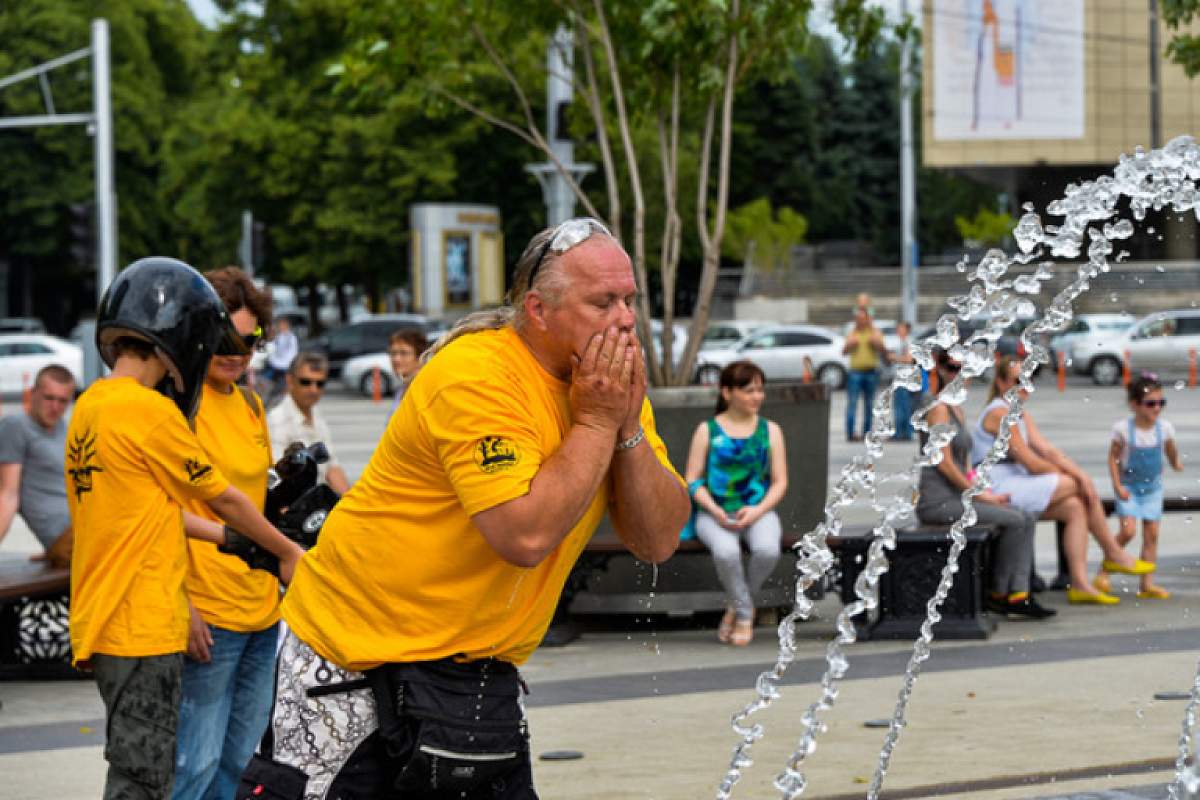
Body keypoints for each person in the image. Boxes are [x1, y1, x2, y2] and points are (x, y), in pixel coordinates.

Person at [248, 218, 689, 800]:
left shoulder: (605, 387)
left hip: (475, 675)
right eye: (603, 301)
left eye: (630, 300)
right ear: (538, 310)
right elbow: (524, 534)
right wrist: (598, 423)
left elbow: (657, 539)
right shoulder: (477, 374)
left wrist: (626, 428)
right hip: (353, 660)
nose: (626, 319)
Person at [66, 257, 305, 800]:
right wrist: (286, 550)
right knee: (152, 780)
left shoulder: (91, 408)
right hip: (145, 622)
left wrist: (233, 540)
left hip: (111, 619)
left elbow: (141, 510)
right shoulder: (152, 413)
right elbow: (222, 495)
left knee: (150, 771)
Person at [172, 268, 282, 800]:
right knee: (194, 763)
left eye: (250, 339)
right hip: (208, 614)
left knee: (241, 764)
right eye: (224, 339)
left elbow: (257, 502)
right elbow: (156, 513)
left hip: (263, 609)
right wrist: (182, 606)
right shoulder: (180, 408)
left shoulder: (250, 403)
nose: (237, 352)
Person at [970, 355, 1154, 605]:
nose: (1025, 386)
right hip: (995, 486)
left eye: (1029, 379)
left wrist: (1080, 474)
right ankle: (1113, 552)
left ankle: (1080, 584)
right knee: (1076, 487)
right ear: (1001, 384)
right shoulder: (999, 413)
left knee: (1075, 507)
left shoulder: (1019, 413)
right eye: (1017, 381)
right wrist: (1075, 479)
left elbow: (1048, 451)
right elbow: (1031, 463)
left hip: (1016, 481)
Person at [915, 350, 1053, 619]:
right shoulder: (938, 408)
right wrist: (975, 495)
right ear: (940, 369)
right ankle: (1009, 595)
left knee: (1024, 516)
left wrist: (986, 495)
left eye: (964, 369)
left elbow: (966, 467)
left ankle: (1009, 592)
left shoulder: (957, 409)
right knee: (1015, 520)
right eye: (953, 368)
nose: (959, 375)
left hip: (959, 499)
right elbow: (944, 464)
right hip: (938, 503)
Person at [684, 360, 788, 646]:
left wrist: (757, 510)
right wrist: (715, 510)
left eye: (760, 390)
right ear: (727, 393)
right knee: (726, 553)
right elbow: (692, 480)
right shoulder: (707, 431)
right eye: (748, 390)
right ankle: (744, 615)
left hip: (758, 509)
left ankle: (736, 605)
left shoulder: (771, 431)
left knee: (767, 550)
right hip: (713, 512)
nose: (757, 396)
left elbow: (780, 481)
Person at [1093, 372, 1183, 599]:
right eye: (1150, 403)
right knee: (1128, 530)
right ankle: (1104, 570)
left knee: (1152, 535)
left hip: (1153, 488)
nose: (1157, 408)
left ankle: (1147, 583)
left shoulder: (1165, 429)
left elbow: (1171, 449)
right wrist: (1117, 485)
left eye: (1161, 402)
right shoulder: (1123, 429)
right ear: (1135, 404)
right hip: (1129, 488)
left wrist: (1175, 462)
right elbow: (1113, 458)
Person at [0, 365, 76, 567]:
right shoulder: (16, 425)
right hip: (69, 537)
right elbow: (7, 495)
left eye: (63, 401)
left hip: (83, 528)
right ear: (32, 393)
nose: (55, 407)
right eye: (48, 398)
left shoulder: (62, 427)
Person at [266, 352, 351, 494]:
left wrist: (349, 504)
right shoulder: (278, 421)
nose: (313, 389)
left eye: (320, 383)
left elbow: (331, 467)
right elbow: (276, 480)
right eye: (306, 382)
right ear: (290, 381)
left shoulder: (316, 414)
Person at [843, 307, 886, 441]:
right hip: (855, 372)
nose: (861, 321)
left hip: (871, 372)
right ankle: (850, 432)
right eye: (859, 318)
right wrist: (850, 344)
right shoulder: (851, 333)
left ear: (868, 319)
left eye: (863, 318)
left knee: (869, 404)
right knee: (852, 403)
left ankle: (866, 432)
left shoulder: (874, 332)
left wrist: (876, 343)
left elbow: (884, 351)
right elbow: (843, 352)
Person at [258, 316, 296, 409]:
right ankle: (263, 402)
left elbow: (293, 352)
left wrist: (289, 363)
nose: (281, 327)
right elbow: (269, 348)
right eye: (280, 325)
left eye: (283, 325)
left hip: (284, 367)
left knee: (284, 386)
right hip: (273, 365)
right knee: (265, 383)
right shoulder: (276, 337)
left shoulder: (291, 338)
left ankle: (283, 405)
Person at [388, 327, 429, 411]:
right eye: (393, 353)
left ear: (421, 357)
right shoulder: (400, 391)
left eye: (403, 353)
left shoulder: (425, 392)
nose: (396, 359)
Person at [889, 321, 918, 441]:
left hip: (904, 379)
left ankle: (904, 433)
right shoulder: (901, 342)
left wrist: (894, 357)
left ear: (906, 330)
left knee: (903, 406)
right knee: (901, 406)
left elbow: (909, 359)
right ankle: (903, 432)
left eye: (901, 328)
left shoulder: (908, 342)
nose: (898, 330)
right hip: (899, 378)